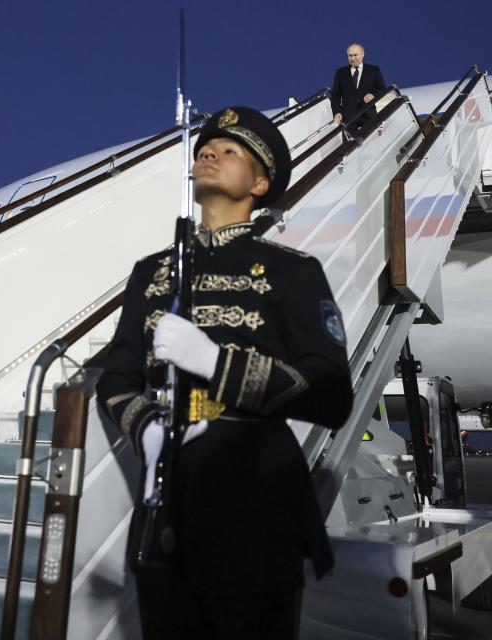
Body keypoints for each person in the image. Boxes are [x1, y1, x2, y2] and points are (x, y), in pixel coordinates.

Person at [96, 107, 353, 639]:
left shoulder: (293, 271)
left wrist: (216, 364)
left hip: (256, 498)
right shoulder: (152, 273)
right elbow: (116, 378)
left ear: (260, 183)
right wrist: (146, 431)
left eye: (230, 150)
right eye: (204, 149)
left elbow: (331, 392)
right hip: (169, 498)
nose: (208, 153)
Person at [330, 43, 386, 134]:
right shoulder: (341, 73)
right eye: (350, 56)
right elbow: (335, 95)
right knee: (350, 146)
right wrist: (336, 112)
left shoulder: (373, 70)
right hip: (348, 118)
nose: (353, 58)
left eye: (355, 55)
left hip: (368, 115)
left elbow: (382, 89)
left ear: (362, 54)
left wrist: (373, 95)